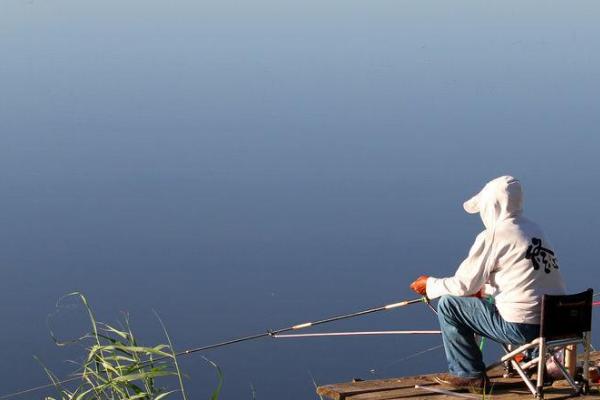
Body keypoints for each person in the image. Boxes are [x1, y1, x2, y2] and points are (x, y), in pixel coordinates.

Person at [409, 175, 566, 392]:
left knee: (448, 305)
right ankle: (539, 364)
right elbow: (520, 279)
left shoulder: (494, 235)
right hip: (557, 325)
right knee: (517, 305)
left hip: (522, 328)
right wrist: (481, 290)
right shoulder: (534, 230)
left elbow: (464, 285)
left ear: (492, 207)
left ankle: (467, 374)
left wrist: (430, 285)